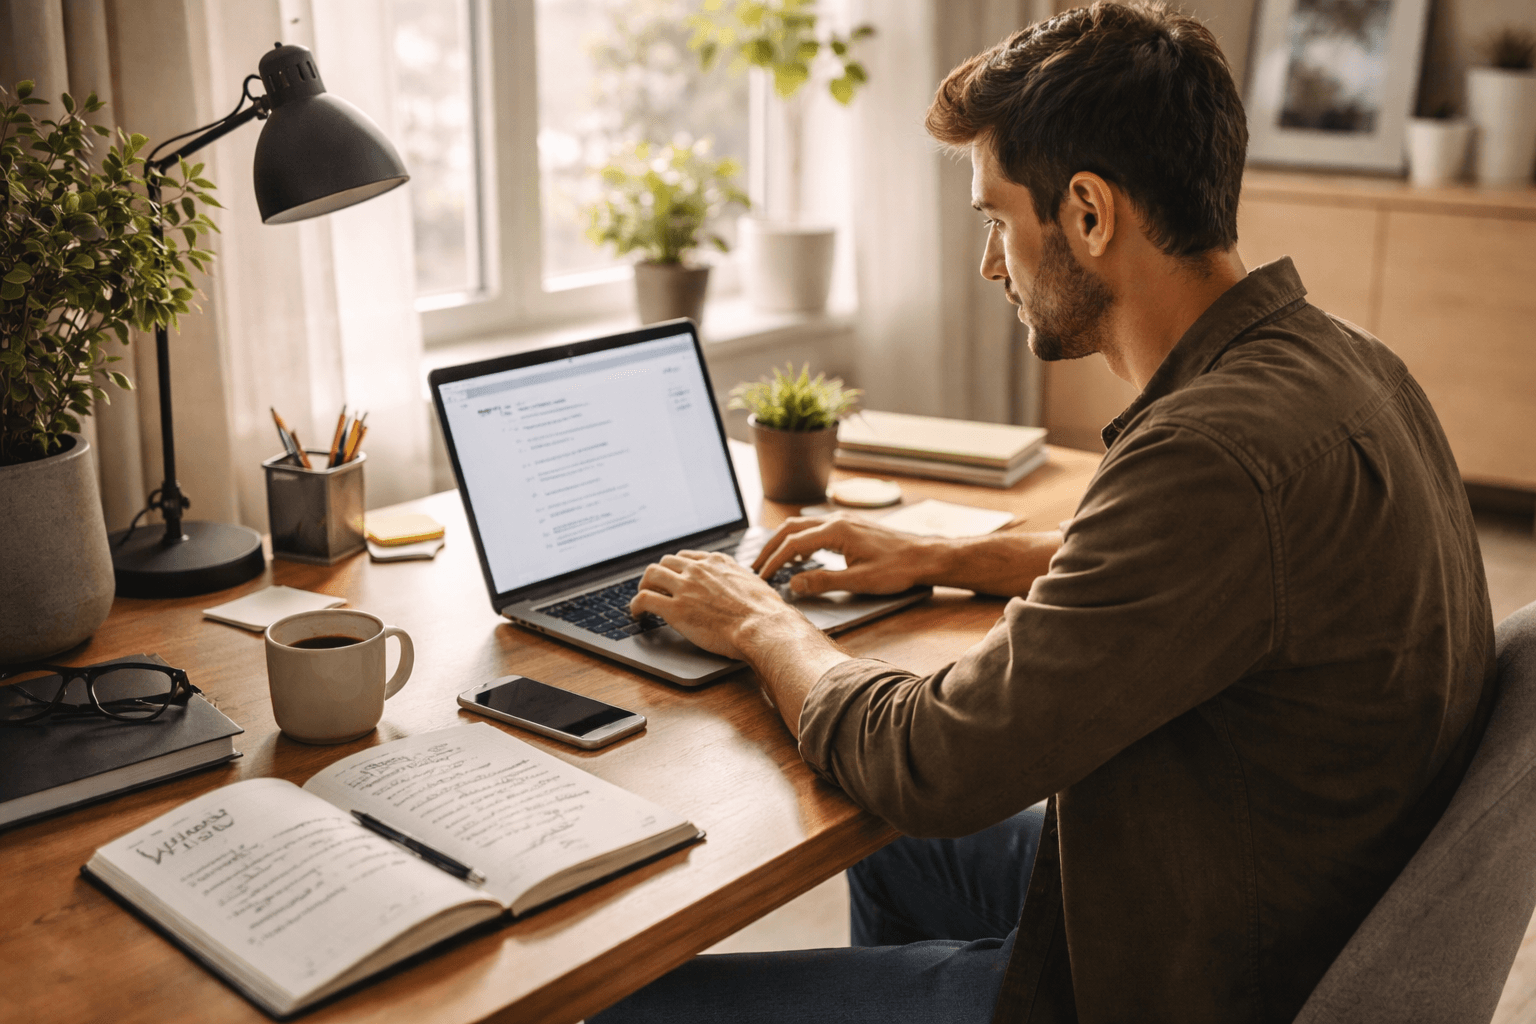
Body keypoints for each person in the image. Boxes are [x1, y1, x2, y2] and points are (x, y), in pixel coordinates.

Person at [594, 3, 1496, 1021]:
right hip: (1269, 884)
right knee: (902, 861)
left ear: (1089, 213)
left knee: (632, 1003)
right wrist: (943, 552)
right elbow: (1214, 567)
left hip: (1197, 972)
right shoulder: (1342, 362)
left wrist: (759, 621)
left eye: (995, 219)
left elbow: (933, 761)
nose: (990, 266)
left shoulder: (1208, 456)